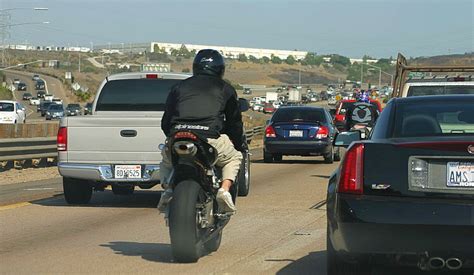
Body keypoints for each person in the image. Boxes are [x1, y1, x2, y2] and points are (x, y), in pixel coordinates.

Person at [157, 49, 245, 215]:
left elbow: (166, 121)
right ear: (220, 68)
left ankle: (167, 189)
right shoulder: (225, 89)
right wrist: (238, 143)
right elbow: (234, 123)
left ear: (196, 66)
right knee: (234, 157)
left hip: (179, 136)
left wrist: (173, 133)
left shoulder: (179, 87)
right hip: (209, 139)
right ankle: (224, 190)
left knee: (166, 161)